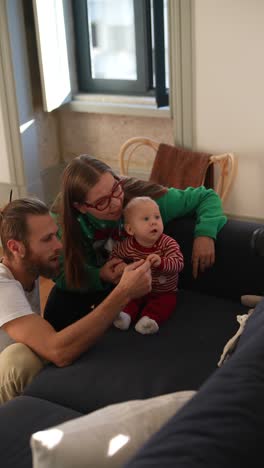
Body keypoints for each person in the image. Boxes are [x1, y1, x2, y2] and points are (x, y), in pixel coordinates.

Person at [44, 154, 227, 330]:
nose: (116, 203)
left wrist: (205, 234)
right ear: (81, 207)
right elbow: (61, 274)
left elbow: (206, 197)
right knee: (56, 311)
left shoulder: (142, 201)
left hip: (147, 286)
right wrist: (99, 275)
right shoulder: (59, 224)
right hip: (94, 283)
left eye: (116, 189)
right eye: (102, 202)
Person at [0, 197, 152, 404]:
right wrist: (124, 293)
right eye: (47, 239)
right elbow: (58, 351)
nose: (59, 245)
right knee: (20, 360)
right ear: (16, 248)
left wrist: (101, 275)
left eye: (56, 235)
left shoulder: (28, 267)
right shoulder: (3, 286)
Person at [111, 196, 184, 335]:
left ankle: (149, 320)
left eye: (157, 217)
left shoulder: (168, 243)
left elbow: (179, 263)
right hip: (137, 288)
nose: (153, 223)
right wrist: (119, 265)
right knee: (129, 299)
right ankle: (125, 315)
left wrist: (162, 263)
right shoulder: (127, 245)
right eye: (146, 219)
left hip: (164, 291)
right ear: (130, 229)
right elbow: (115, 255)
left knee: (165, 304)